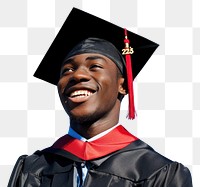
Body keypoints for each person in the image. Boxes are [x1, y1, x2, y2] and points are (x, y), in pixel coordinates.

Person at [8, 7, 192, 187]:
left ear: (123, 85)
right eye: (67, 70)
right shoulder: (32, 169)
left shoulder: (158, 172)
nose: (77, 75)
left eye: (95, 66)